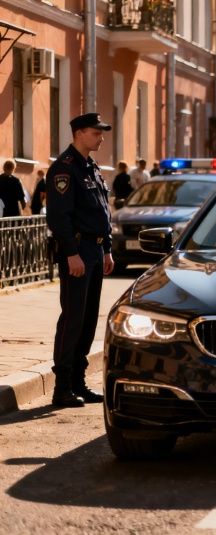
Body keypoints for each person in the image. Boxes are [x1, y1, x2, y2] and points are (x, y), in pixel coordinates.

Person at [45, 112, 115, 408]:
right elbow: (59, 217)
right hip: (78, 251)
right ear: (80, 133)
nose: (101, 137)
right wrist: (71, 253)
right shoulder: (65, 168)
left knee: (88, 318)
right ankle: (61, 386)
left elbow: (101, 211)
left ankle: (78, 381)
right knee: (73, 317)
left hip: (96, 252)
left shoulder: (91, 167)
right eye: (96, 133)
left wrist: (108, 248)